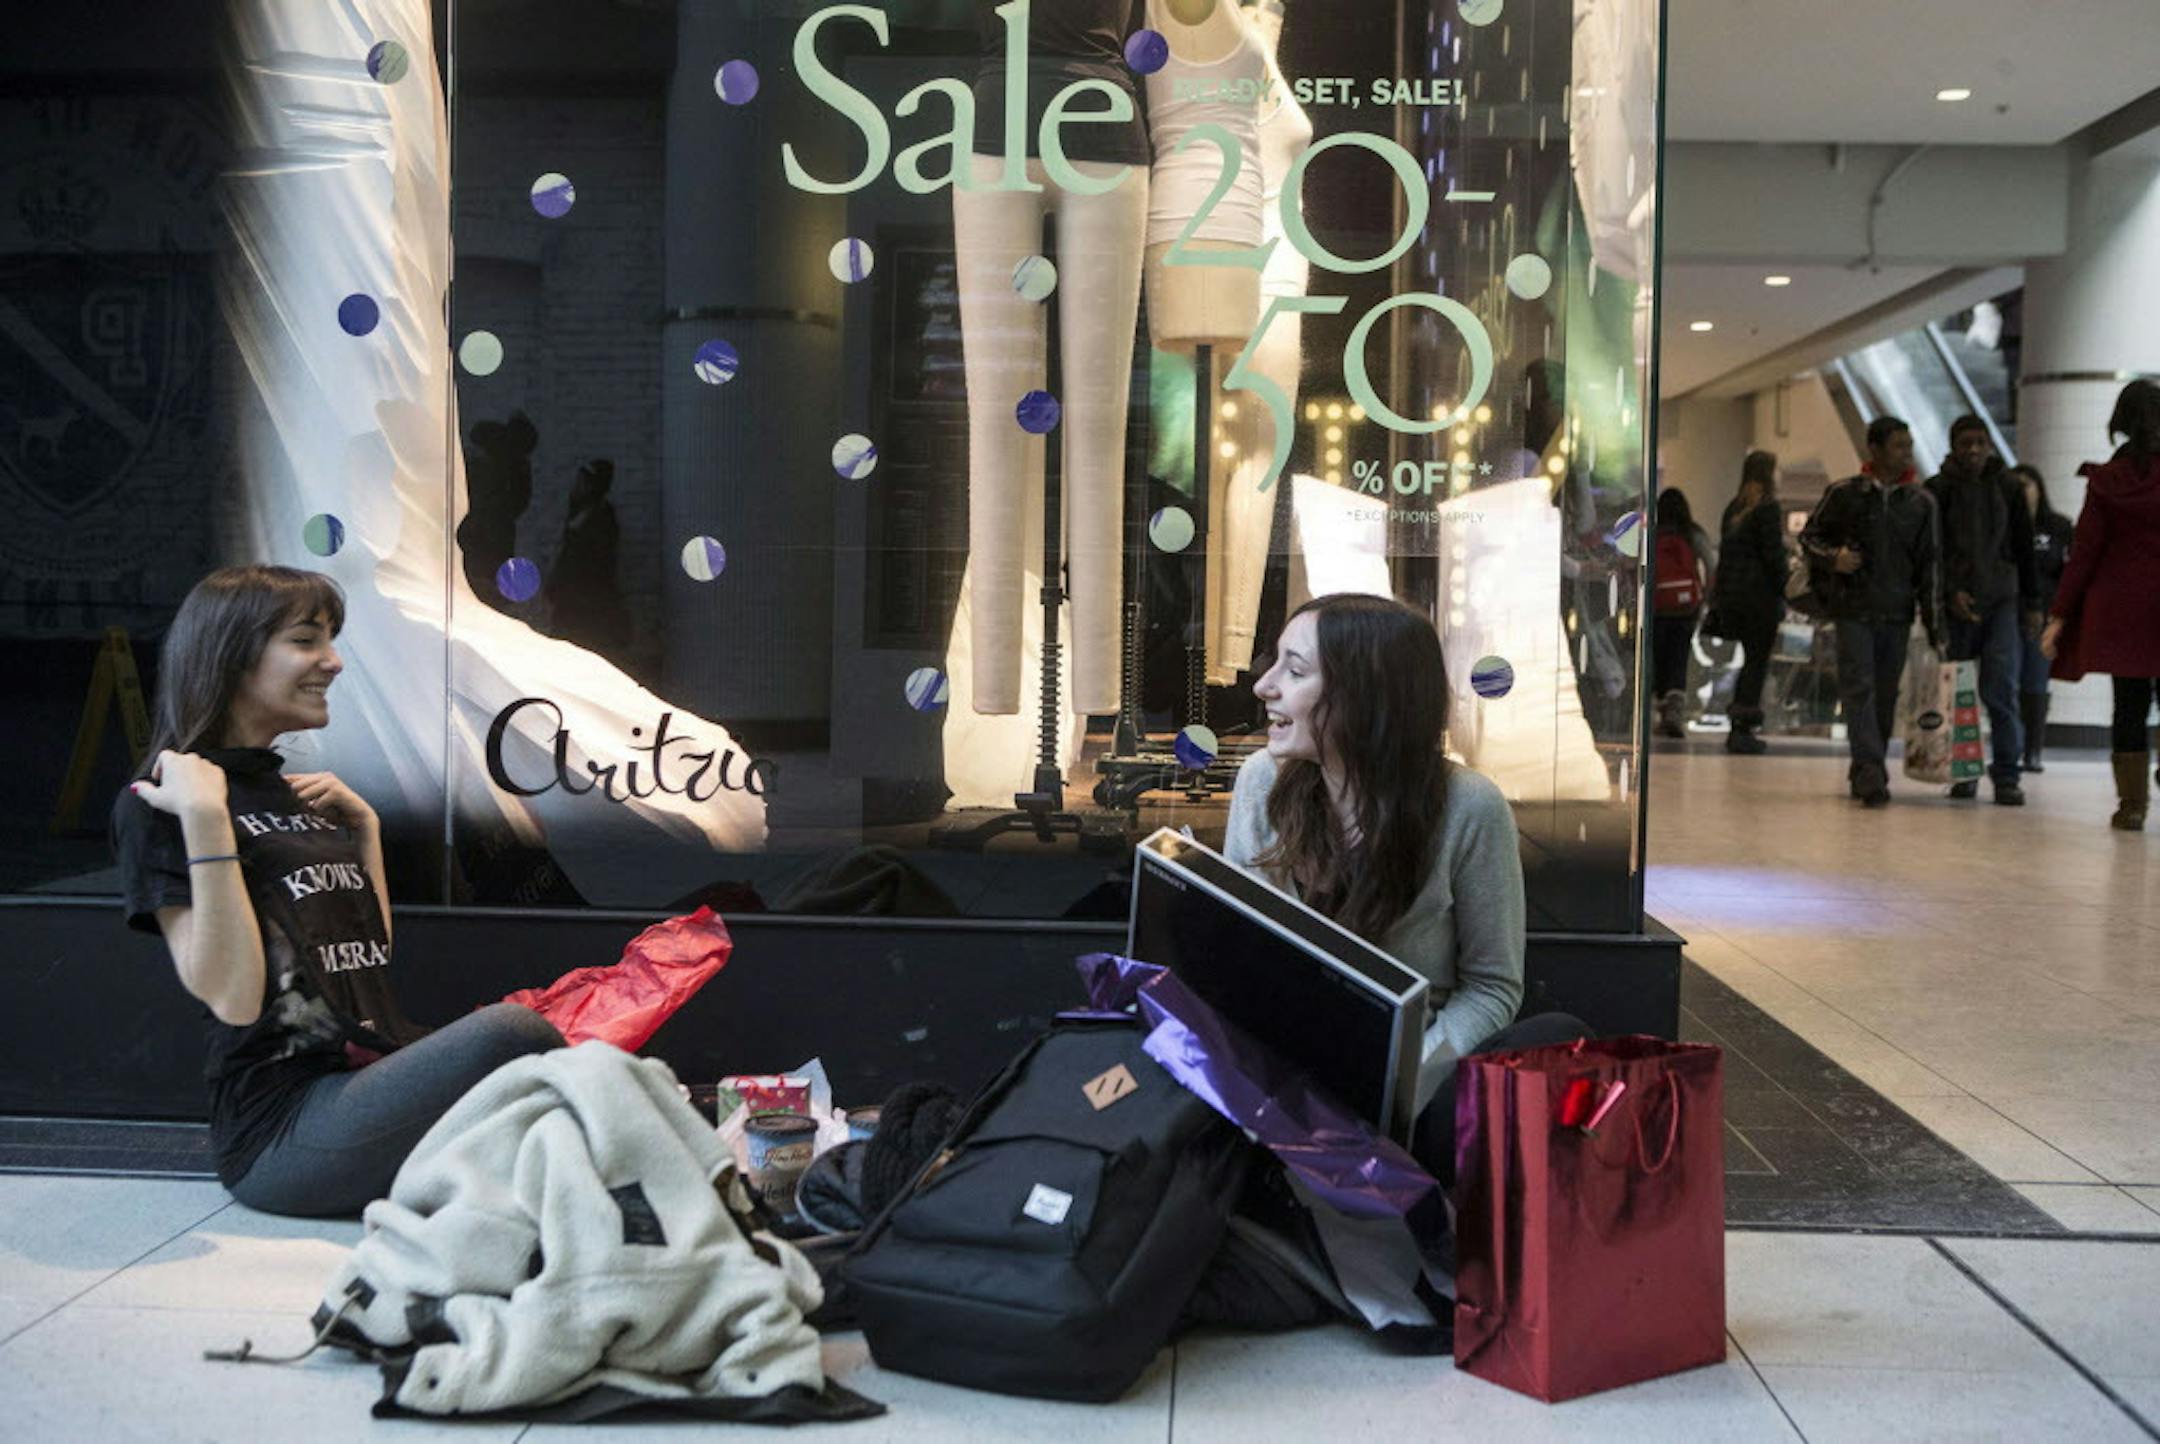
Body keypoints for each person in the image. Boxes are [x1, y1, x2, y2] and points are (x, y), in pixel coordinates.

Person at [111, 566, 563, 1217]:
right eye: (306, 640)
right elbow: (235, 999)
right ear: (233, 654)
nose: (334, 662)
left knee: (578, 1050)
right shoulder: (162, 804)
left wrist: (364, 836)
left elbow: (365, 955)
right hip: (285, 1130)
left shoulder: (293, 793)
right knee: (512, 1032)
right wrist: (208, 820)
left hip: (370, 1075)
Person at [1223, 593, 1586, 1184]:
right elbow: (1242, 959)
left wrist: (1404, 1083)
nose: (1264, 686)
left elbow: (1493, 986)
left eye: (1294, 671)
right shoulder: (1263, 781)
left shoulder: (1470, 807)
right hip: (1288, 1068)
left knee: (1558, 1042)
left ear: (1366, 694)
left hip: (1415, 1077)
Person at [1800, 416, 1942, 808]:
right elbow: (1809, 537)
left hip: (1897, 614)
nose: (1906, 453)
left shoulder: (1920, 503)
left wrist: (1934, 626)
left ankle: (1867, 762)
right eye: (1898, 445)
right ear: (1875, 450)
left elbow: (1929, 567)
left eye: (1908, 445)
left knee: (1884, 696)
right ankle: (1870, 772)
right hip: (1853, 610)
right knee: (1859, 688)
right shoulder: (1845, 494)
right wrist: (1835, 558)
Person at [2041, 380, 2160, 831]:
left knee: (2129, 705)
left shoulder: (2109, 481)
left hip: (2124, 608)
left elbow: (2085, 552)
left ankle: (2132, 805)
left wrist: (2059, 616)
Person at [1925, 416, 2038, 805]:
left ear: (1990, 445)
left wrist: (2033, 605)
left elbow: (2024, 548)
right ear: (1953, 446)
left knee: (2001, 688)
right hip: (1957, 605)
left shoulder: (2008, 488)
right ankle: (1964, 772)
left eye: (1980, 442)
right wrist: (1949, 594)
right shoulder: (1937, 490)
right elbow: (1932, 553)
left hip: (2002, 601)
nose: (1973, 450)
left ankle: (2007, 775)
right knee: (1960, 691)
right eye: (1965, 443)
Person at [1713, 451, 1790, 755]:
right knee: (1756, 662)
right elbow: (1773, 556)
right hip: (1760, 599)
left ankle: (1738, 724)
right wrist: (1787, 587)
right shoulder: (1767, 508)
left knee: (1748, 661)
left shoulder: (1734, 508)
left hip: (1734, 599)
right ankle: (1744, 726)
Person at [2009, 463, 2072, 772]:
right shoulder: (2001, 526)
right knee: (2005, 682)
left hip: (2042, 616)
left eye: (2027, 484)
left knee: (2035, 682)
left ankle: (2032, 751)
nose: (2022, 491)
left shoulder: (2058, 526)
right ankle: (2009, 746)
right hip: (2007, 612)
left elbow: (2068, 572)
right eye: (2016, 485)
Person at [1650, 488, 1714, 740]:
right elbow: (1711, 564)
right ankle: (1673, 715)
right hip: (1686, 607)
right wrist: (1705, 597)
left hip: (1657, 606)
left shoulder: (1654, 533)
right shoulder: (1692, 532)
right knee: (1678, 658)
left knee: (1656, 658)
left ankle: (1654, 711)